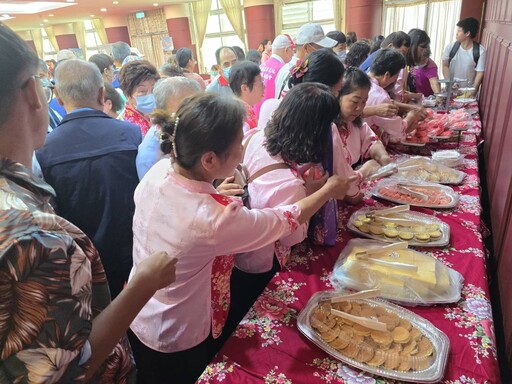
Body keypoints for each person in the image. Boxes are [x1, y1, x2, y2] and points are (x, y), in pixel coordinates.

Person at [127, 92, 352, 384]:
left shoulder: (160, 172)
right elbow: (280, 220)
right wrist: (326, 191)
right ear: (209, 159)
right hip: (178, 330)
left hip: (141, 309)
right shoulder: (214, 218)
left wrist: (216, 191)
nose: (243, 154)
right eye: (237, 148)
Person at [0, 20, 177, 383]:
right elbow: (64, 371)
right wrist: (142, 285)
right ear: (35, 94)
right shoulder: (32, 236)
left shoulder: (33, 172)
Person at [36, 59, 142, 299]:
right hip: (133, 248)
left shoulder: (44, 150)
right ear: (102, 92)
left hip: (83, 257)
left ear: (59, 99)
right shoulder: (131, 134)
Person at [136, 76, 202, 179]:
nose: (193, 117)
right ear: (161, 112)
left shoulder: (200, 129)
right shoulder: (150, 157)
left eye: (197, 109)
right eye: (183, 112)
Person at [365, 48, 425, 144]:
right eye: (396, 78)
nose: (394, 82)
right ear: (386, 75)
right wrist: (411, 116)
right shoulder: (380, 95)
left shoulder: (359, 81)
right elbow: (397, 130)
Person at [337, 67, 391, 166]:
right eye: (355, 102)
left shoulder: (355, 124)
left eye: (364, 102)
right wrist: (365, 170)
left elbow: (372, 142)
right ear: (337, 95)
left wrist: (383, 156)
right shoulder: (329, 128)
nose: (359, 108)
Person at [274, 23, 336, 98]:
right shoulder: (305, 72)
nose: (324, 52)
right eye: (320, 48)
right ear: (306, 47)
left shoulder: (283, 69)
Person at [442, 17, 486, 98]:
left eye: (459, 31)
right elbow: (445, 65)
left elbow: (480, 73)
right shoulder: (451, 47)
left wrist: (474, 90)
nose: (456, 33)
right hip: (451, 89)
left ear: (467, 33)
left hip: (467, 92)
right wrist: (449, 82)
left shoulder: (480, 51)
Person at [254, 34, 294, 117]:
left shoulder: (261, 67)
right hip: (272, 118)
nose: (293, 53)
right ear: (286, 50)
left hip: (258, 116)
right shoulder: (284, 70)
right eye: (292, 50)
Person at [118, 59, 160, 136]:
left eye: (153, 89)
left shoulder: (158, 114)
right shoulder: (124, 126)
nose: (150, 95)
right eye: (142, 91)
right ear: (128, 95)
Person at [229, 61, 265, 131]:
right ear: (245, 88)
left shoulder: (238, 109)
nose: (264, 87)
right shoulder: (242, 117)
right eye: (261, 83)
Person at [406, 29, 440, 97]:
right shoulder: (405, 62)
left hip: (424, 101)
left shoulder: (430, 66)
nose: (425, 50)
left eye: (426, 46)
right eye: (422, 47)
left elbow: (435, 87)